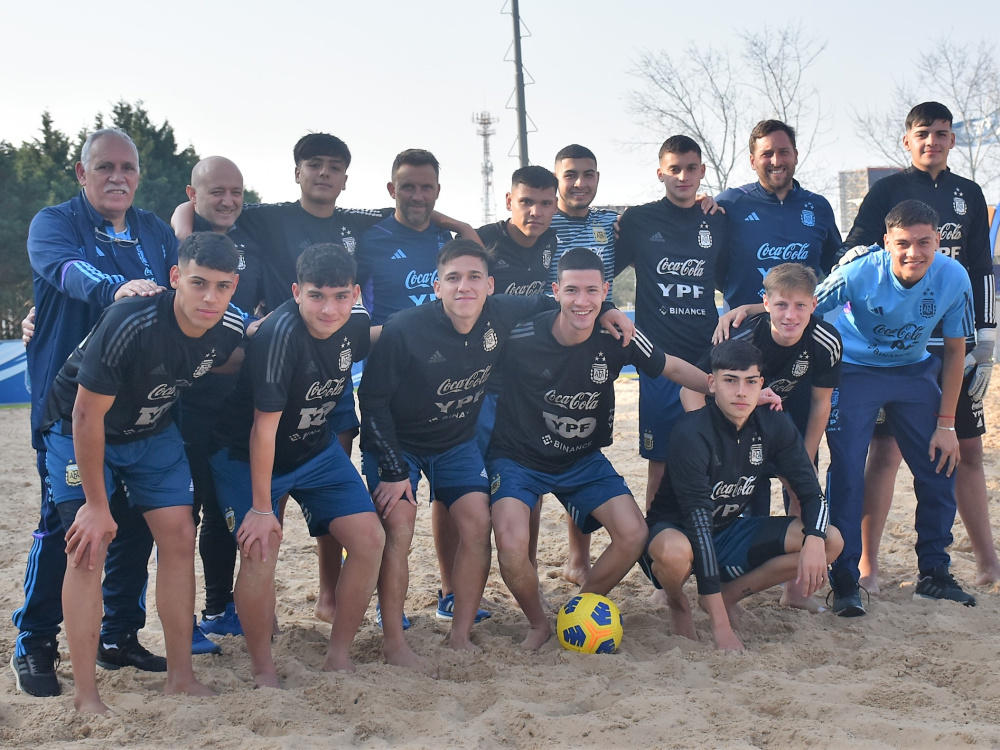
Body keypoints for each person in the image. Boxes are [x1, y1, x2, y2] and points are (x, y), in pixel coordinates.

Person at [358, 240, 633, 673]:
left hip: (455, 442)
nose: (463, 287)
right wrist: (393, 471)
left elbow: (566, 297)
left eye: (473, 278)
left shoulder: (503, 312)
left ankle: (460, 634)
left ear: (490, 285)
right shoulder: (404, 328)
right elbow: (371, 402)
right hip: (398, 444)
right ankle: (394, 640)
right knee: (400, 524)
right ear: (437, 286)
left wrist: (610, 307)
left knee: (477, 520)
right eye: (453, 278)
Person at [40, 231, 244, 713]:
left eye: (222, 286)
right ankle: (86, 695)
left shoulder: (230, 328)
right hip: (80, 430)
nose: (210, 297)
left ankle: (181, 677)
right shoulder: (132, 320)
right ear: (175, 278)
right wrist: (95, 505)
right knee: (88, 547)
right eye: (198, 283)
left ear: (235, 286)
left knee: (178, 536)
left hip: (151, 431)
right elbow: (86, 415)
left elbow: (252, 346)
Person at [487, 248, 724, 650]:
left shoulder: (618, 336)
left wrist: (726, 389)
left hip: (582, 459)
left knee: (634, 534)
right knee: (510, 545)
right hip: (518, 458)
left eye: (592, 291)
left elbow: (673, 368)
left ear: (606, 292)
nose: (582, 301)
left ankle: (579, 607)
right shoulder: (520, 336)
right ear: (555, 291)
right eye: (572, 290)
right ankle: (537, 623)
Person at [12, 129, 174, 698]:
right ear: (82, 174)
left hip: (138, 413)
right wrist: (119, 289)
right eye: (104, 166)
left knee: (131, 527)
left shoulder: (154, 230)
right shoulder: (53, 223)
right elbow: (68, 274)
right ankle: (34, 644)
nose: (117, 177)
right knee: (67, 527)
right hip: (66, 409)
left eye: (127, 167)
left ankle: (118, 636)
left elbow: (181, 291)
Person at [209, 244, 384, 687]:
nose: (329, 309)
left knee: (370, 539)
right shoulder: (278, 337)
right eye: (316, 296)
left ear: (355, 294)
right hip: (246, 454)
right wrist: (262, 508)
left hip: (315, 449)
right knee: (261, 547)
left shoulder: (355, 322)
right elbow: (261, 432)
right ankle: (264, 669)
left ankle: (338, 654)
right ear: (296, 292)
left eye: (341, 296)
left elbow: (380, 335)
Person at [842, 102, 1000, 589]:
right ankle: (867, 566)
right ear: (907, 140)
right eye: (923, 133)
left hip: (954, 343)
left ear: (953, 140)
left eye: (941, 133)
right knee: (884, 455)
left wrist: (987, 340)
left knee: (962, 450)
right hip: (895, 346)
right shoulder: (886, 190)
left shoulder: (969, 193)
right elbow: (859, 246)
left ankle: (986, 563)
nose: (932, 140)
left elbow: (981, 267)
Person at [816, 199, 977, 617]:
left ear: (938, 241)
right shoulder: (858, 273)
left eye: (924, 242)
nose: (914, 253)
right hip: (855, 369)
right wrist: (753, 310)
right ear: (886, 242)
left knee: (940, 461)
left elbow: (957, 351)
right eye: (903, 243)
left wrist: (947, 424)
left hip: (913, 369)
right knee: (847, 468)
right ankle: (846, 578)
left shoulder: (954, 277)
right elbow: (803, 309)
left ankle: (934, 574)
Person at [641, 339, 842, 652]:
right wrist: (721, 629)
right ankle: (678, 603)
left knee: (831, 539)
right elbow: (698, 523)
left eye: (750, 382)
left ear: (761, 384)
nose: (740, 392)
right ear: (712, 383)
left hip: (728, 529)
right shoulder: (691, 433)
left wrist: (814, 539)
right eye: (730, 381)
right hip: (677, 529)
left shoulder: (775, 425)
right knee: (675, 554)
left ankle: (727, 596)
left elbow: (811, 492)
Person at [688, 263, 843, 610]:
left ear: (814, 306)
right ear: (766, 303)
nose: (790, 315)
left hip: (784, 425)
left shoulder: (826, 339)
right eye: (782, 305)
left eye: (800, 306)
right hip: (737, 428)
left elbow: (821, 403)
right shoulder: (742, 335)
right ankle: (721, 584)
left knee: (803, 496)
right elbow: (695, 385)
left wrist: (804, 459)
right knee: (743, 503)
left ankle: (795, 592)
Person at [615, 135, 729, 513]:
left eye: (691, 168)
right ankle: (657, 545)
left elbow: (734, 277)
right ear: (660, 173)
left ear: (702, 171)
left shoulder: (717, 220)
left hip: (707, 355)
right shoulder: (637, 220)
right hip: (658, 359)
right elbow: (607, 267)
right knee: (661, 463)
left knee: (712, 459)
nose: (683, 176)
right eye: (675, 169)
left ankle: (706, 542)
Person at [179, 156, 266, 647]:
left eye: (236, 191)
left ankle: (218, 608)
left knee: (219, 511)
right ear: (193, 196)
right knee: (179, 514)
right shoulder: (179, 241)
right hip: (185, 403)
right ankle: (182, 619)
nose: (228, 200)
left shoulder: (253, 239)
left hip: (235, 405)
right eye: (216, 192)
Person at [716, 120, 841, 311]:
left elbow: (835, 268)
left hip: (801, 328)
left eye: (784, 152)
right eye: (767, 154)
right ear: (752, 161)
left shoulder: (818, 206)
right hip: (744, 326)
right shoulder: (730, 203)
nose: (776, 161)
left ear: (796, 156)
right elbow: (710, 266)